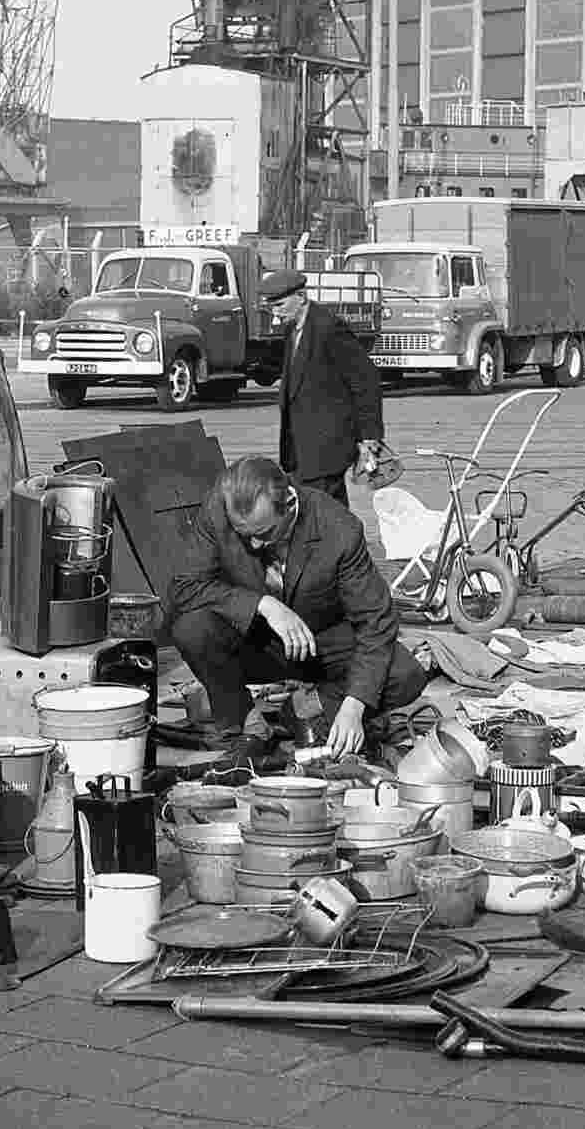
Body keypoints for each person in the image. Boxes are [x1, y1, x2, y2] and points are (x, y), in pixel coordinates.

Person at [167, 456, 429, 761]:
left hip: (322, 644)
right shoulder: (219, 510)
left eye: (264, 533)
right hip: (256, 642)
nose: (254, 545)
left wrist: (354, 705)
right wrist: (263, 605)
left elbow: (376, 621)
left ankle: (306, 708)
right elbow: (184, 587)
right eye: (244, 535)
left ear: (290, 504)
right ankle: (246, 726)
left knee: (405, 674)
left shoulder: (338, 528)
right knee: (192, 628)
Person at [260, 267, 383, 503]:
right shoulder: (292, 329)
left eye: (280, 305)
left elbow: (365, 380)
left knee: (317, 510)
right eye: (271, 306)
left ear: (301, 297)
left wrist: (369, 436)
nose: (275, 313)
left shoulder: (329, 327)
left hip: (327, 445)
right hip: (301, 446)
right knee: (328, 511)